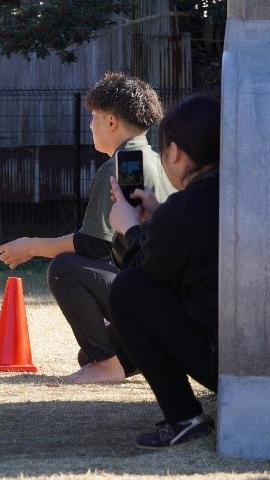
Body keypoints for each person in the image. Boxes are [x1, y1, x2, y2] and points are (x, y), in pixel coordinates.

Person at [0, 72, 175, 383]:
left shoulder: (120, 165)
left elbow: (93, 245)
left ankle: (106, 363)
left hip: (153, 299)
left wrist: (32, 246)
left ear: (111, 121)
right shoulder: (158, 161)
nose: (90, 124)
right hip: (175, 303)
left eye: (93, 117)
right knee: (86, 355)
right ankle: (130, 355)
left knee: (65, 267)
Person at [108, 95, 220, 449]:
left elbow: (147, 272)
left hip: (230, 360)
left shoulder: (186, 210)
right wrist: (158, 222)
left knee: (126, 289)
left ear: (173, 153)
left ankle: (184, 417)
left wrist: (130, 228)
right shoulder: (247, 195)